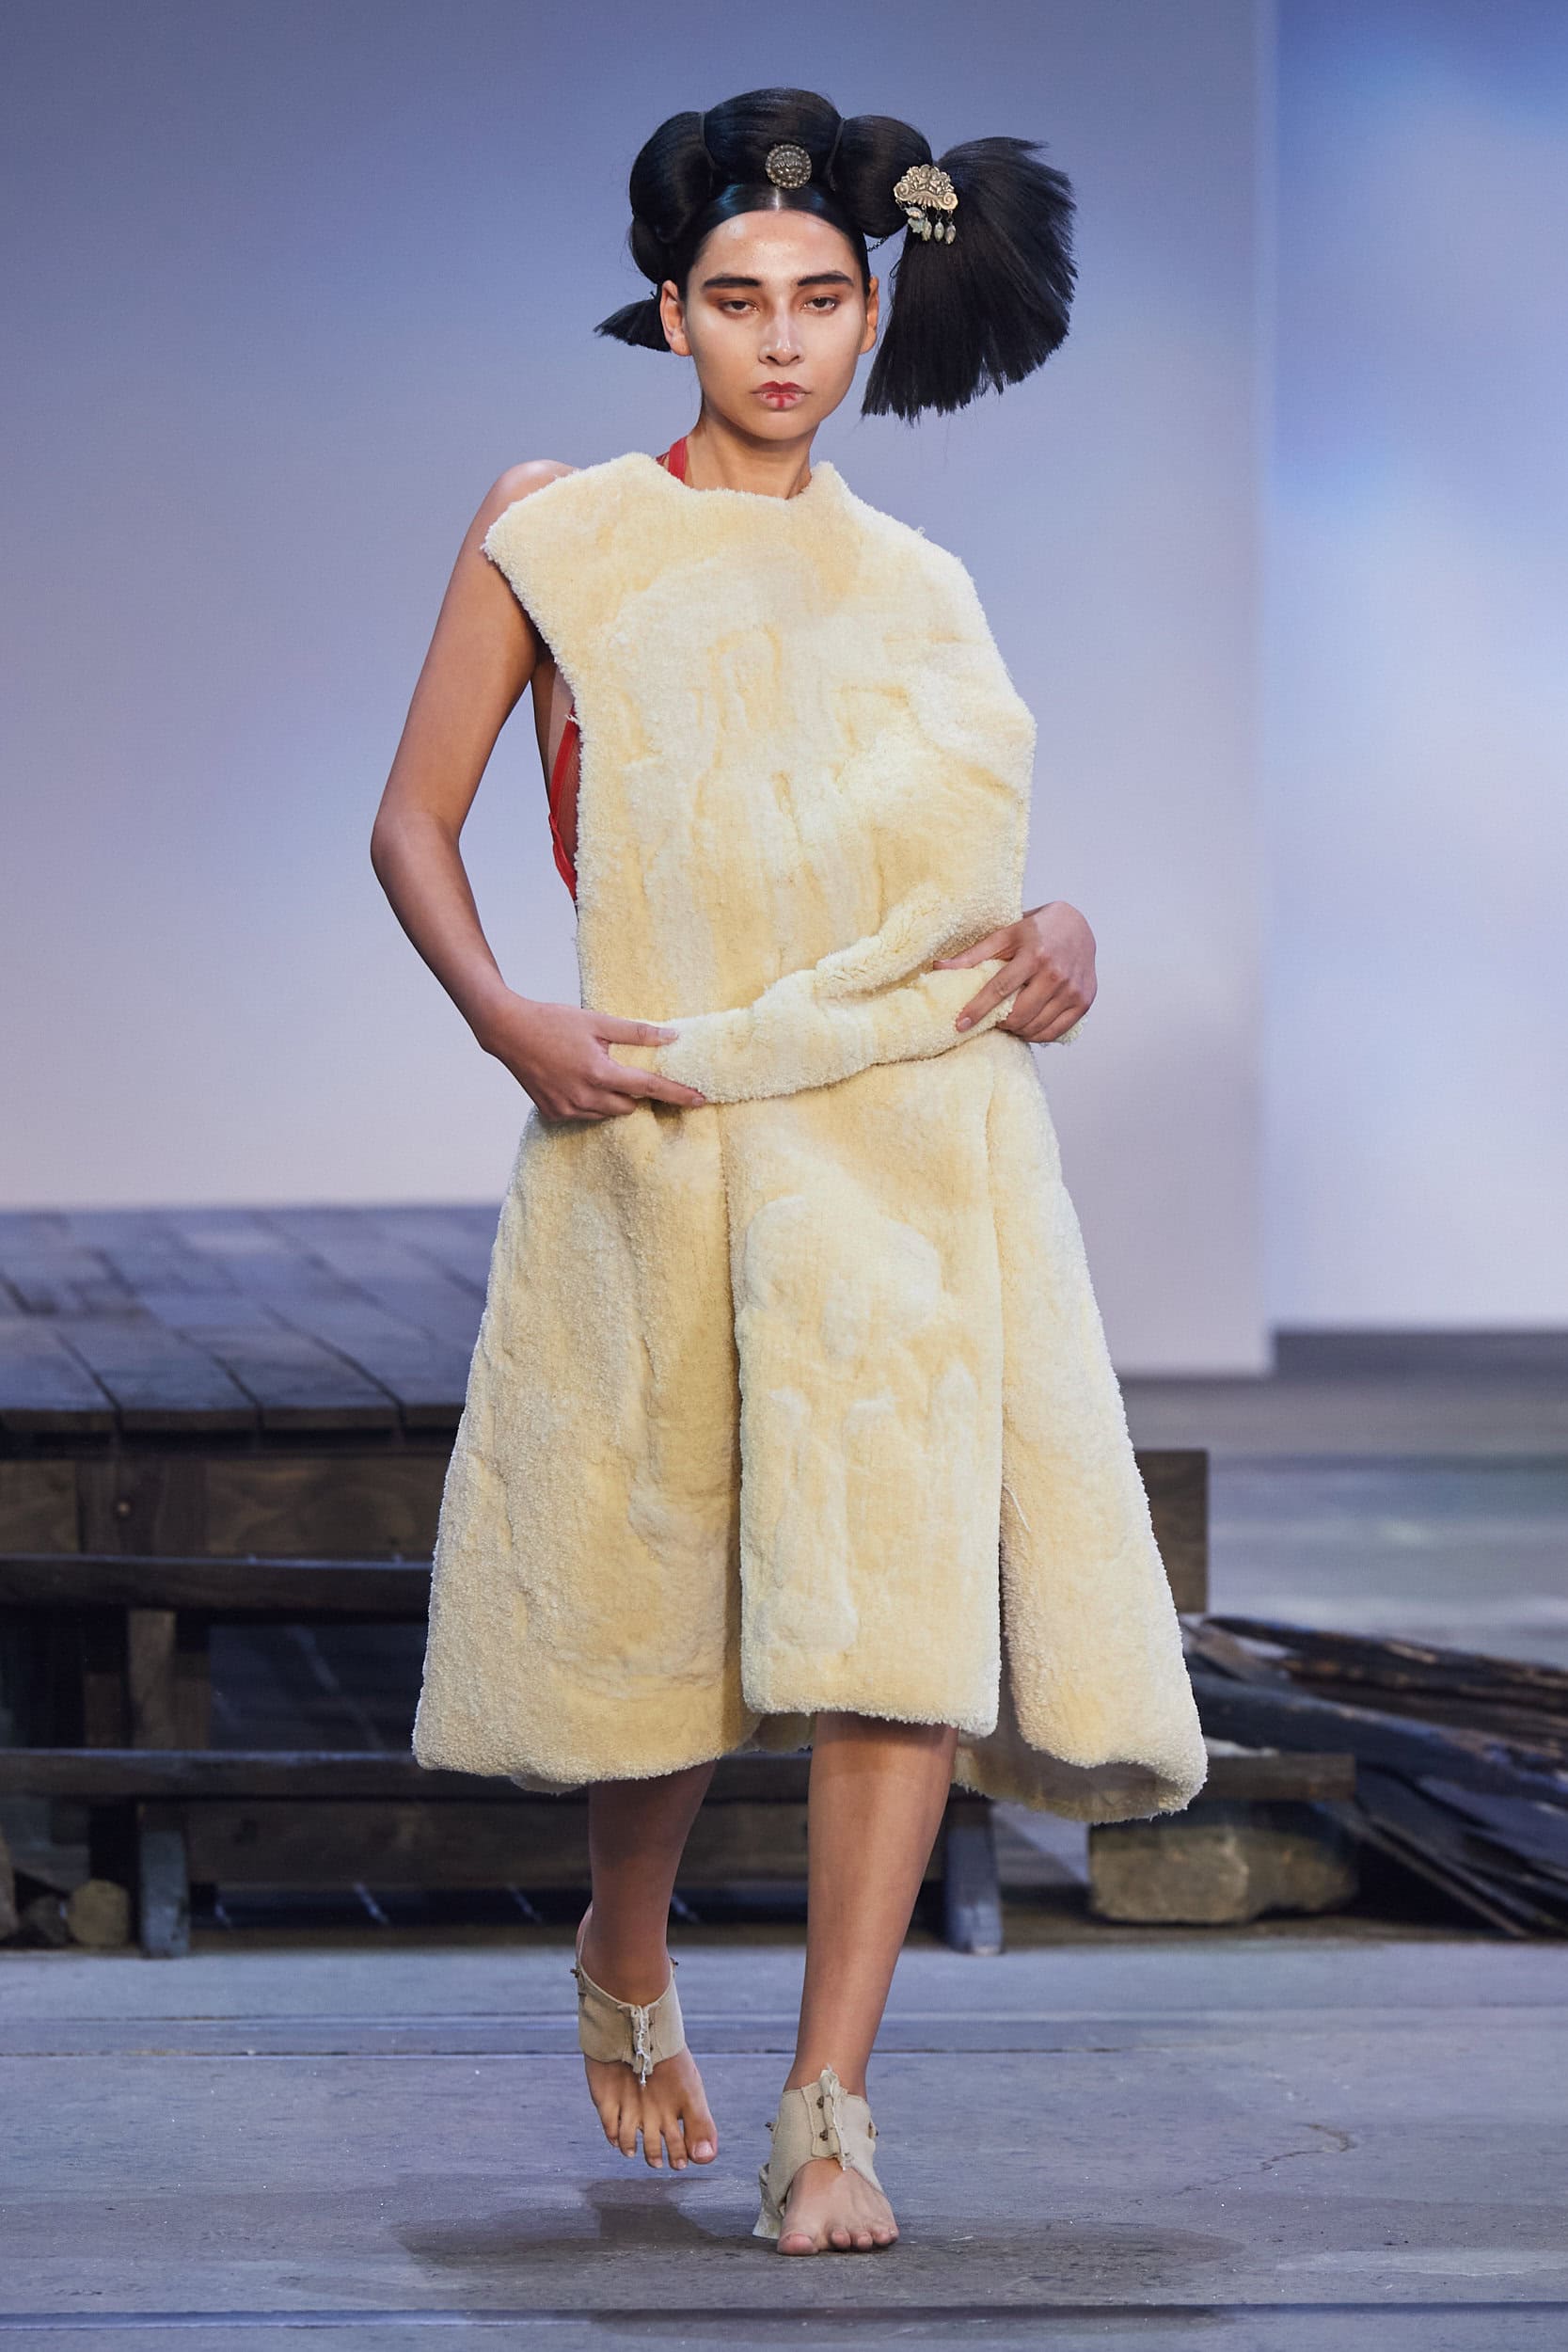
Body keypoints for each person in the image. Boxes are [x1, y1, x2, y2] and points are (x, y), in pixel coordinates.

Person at [371, 86, 1208, 2259]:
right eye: (736, 298)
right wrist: (508, 1017)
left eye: (821, 297)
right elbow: (413, 820)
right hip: (655, 1120)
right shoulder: (559, 530)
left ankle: (831, 2102)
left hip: (904, 1136)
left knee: (888, 1611)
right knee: (667, 1589)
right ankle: (625, 1933)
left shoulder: (921, 590)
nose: (780, 337)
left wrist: (1067, 934)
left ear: (870, 316)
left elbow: (970, 893)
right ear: (670, 313)